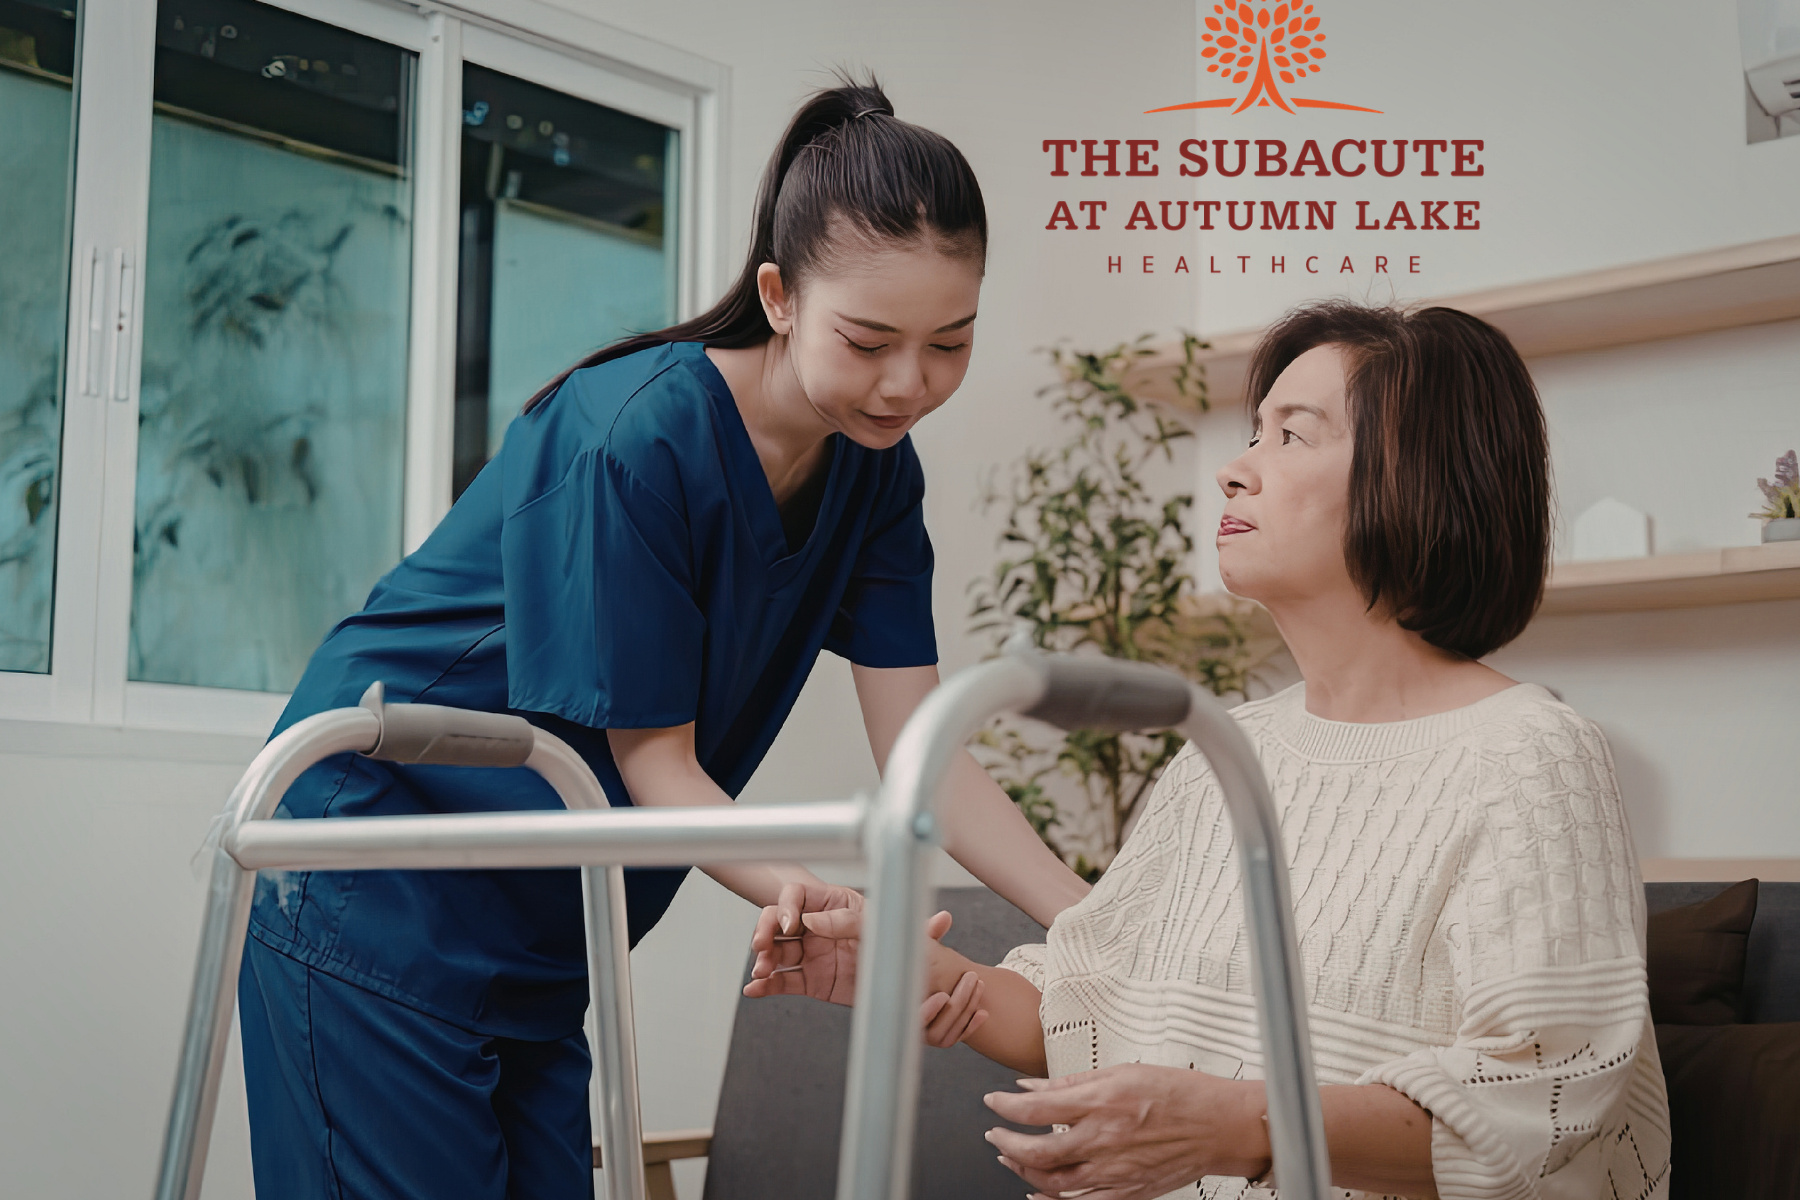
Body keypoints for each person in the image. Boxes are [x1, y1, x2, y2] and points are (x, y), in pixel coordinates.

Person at [236, 76, 1088, 1200]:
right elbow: (654, 765)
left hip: (542, 928)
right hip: (377, 871)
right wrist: (833, 905)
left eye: (950, 343)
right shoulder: (635, 436)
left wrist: (1100, 922)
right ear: (780, 297)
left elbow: (926, 752)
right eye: (871, 339)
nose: (908, 385)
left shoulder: (874, 476)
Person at [749, 301, 1673, 1199]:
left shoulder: (1531, 757)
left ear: (1418, 475)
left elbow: (1545, 1112)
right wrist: (920, 969)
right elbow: (1101, 1007)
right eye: (1254, 433)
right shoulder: (1226, 754)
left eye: (1293, 436)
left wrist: (1239, 1126)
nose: (1235, 470)